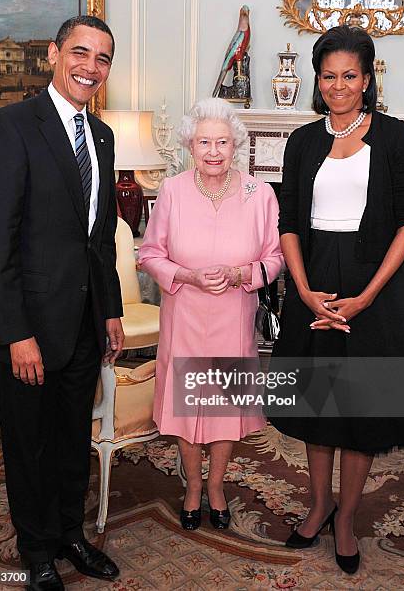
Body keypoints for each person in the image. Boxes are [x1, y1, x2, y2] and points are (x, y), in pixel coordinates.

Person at [0, 16, 124, 590]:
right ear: (55, 55)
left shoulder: (102, 136)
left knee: (69, 443)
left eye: (103, 58)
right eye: (80, 53)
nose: (90, 66)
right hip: (31, 328)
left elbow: (100, 234)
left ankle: (69, 535)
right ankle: (36, 550)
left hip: (84, 323)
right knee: (29, 444)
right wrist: (16, 332)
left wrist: (109, 308)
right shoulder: (11, 127)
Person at [272, 25, 404, 575]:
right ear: (318, 79)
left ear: (367, 79)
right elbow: (288, 220)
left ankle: (346, 519)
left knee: (359, 410)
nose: (338, 86)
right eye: (329, 76)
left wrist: (366, 297)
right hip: (315, 286)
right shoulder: (303, 140)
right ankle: (317, 507)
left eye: (350, 76)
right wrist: (304, 291)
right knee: (318, 406)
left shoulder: (396, 136)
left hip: (374, 290)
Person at [139, 97, 283, 532]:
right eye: (204, 142)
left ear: (235, 144)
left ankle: (216, 486)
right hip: (184, 312)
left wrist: (243, 273)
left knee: (223, 407)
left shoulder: (261, 194)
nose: (214, 150)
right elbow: (149, 254)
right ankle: (193, 488)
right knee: (187, 405)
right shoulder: (172, 190)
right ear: (190, 146)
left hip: (234, 315)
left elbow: (275, 258)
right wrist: (188, 275)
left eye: (222, 141)